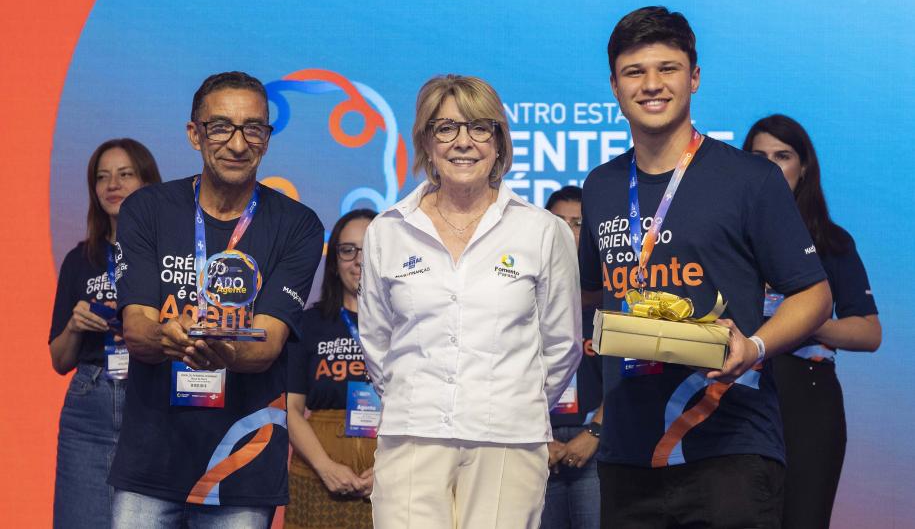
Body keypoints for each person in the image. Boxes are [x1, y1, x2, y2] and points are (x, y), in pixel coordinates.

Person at [579, 7, 833, 528]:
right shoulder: (600, 186)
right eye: (634, 72)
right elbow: (587, 294)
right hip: (628, 454)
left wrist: (755, 346)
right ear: (613, 85)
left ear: (693, 77)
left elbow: (814, 295)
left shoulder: (750, 179)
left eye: (668, 69)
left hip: (730, 445)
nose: (651, 85)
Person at [359, 74, 582, 529]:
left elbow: (562, 346)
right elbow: (377, 342)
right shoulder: (388, 229)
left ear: (499, 142)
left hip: (508, 439)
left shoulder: (541, 230)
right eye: (446, 128)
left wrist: (511, 399)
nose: (464, 142)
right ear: (426, 141)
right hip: (412, 436)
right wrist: (418, 395)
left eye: (480, 128)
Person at [109, 71, 324, 527]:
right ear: (195, 134)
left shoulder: (298, 225)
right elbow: (137, 329)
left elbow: (266, 347)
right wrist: (169, 337)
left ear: (267, 137)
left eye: (254, 128)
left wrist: (213, 346)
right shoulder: (147, 209)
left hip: (243, 467)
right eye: (221, 126)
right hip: (151, 460)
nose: (238, 143)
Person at [744, 114, 881, 529]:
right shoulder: (725, 235)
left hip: (808, 395)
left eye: (782, 156)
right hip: (737, 395)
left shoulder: (830, 240)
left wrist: (803, 320)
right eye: (758, 156)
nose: (770, 166)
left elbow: (869, 332)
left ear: (803, 167)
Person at [49, 138, 161, 528]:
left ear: (148, 182)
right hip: (89, 402)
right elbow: (59, 361)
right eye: (102, 177)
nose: (112, 184)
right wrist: (74, 326)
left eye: (125, 174)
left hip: (152, 398)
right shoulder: (80, 259)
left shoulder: (170, 257)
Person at [286, 208, 378, 529]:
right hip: (317, 476)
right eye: (348, 250)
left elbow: (423, 410)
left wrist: (388, 470)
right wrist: (325, 467)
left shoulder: (409, 327)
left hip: (388, 479)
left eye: (371, 249)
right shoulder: (308, 324)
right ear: (335, 262)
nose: (359, 261)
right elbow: (292, 410)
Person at [541, 186, 603, 529]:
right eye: (557, 222)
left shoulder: (613, 294)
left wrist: (594, 433)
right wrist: (538, 438)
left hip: (595, 442)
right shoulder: (524, 298)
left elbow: (631, 376)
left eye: (577, 223)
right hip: (536, 444)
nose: (566, 231)